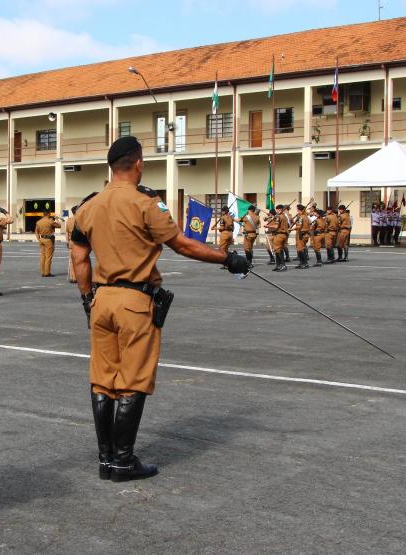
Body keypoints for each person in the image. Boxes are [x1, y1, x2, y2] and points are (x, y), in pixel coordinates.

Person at [70, 136, 248, 483]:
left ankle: (106, 460)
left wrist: (88, 298)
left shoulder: (87, 207)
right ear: (137, 163)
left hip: (102, 300)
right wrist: (228, 258)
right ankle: (123, 461)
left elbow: (79, 257)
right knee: (133, 381)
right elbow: (181, 244)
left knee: (103, 382)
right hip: (135, 301)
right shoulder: (146, 203)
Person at [35, 211, 61, 277]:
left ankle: (43, 272)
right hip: (49, 240)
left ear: (43, 214)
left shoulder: (38, 222)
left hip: (42, 239)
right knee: (48, 257)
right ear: (49, 214)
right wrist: (57, 219)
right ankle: (47, 273)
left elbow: (36, 232)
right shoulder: (50, 221)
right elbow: (59, 226)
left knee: (42, 256)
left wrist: (39, 239)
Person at [265, 204, 290, 271]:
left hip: (279, 235)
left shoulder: (279, 217)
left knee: (277, 249)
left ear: (279, 209)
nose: (277, 211)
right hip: (284, 234)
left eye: (277, 210)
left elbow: (276, 226)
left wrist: (268, 226)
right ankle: (278, 265)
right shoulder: (285, 216)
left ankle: (283, 265)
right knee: (279, 249)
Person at [291, 204, 311, 269]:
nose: (297, 211)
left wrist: (291, 229)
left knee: (300, 249)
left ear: (299, 210)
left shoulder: (301, 217)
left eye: (297, 209)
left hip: (301, 234)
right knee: (302, 248)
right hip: (306, 234)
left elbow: (299, 226)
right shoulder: (306, 217)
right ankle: (302, 263)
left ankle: (304, 263)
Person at [66, 206, 79, 283]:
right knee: (79, 260)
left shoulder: (69, 220)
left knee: (71, 260)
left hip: (71, 241)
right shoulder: (80, 219)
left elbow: (67, 232)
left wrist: (67, 241)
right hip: (79, 241)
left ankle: (72, 277)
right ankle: (77, 277)